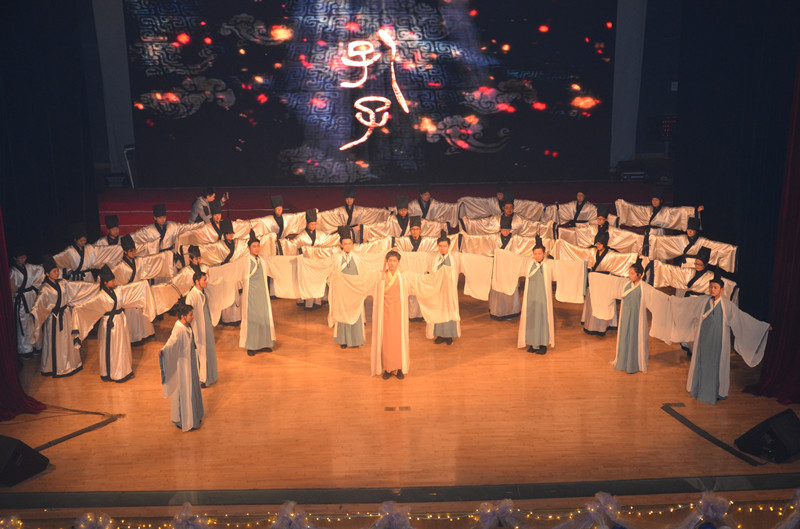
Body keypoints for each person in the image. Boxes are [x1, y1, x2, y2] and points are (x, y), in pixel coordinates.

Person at [683, 277, 771, 405]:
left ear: (721, 289)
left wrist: (762, 327)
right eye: (711, 287)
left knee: (716, 366)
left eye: (715, 288)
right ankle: (699, 388)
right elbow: (687, 305)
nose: (712, 290)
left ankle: (715, 392)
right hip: (703, 341)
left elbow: (742, 318)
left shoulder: (727, 306)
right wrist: (671, 301)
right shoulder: (703, 301)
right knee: (702, 364)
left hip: (718, 343)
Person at [72, 265, 155, 382]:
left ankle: (124, 370)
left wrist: (143, 284)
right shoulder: (101, 296)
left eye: (114, 280)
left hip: (121, 321)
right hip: (109, 325)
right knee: (113, 348)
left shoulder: (118, 290)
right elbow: (88, 307)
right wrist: (77, 310)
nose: (114, 282)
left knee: (122, 346)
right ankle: (111, 372)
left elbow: (130, 289)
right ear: (105, 283)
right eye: (111, 281)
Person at [30, 256, 98, 377]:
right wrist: (34, 314)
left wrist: (96, 286)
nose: (57, 273)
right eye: (53, 272)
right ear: (47, 274)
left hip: (65, 315)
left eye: (57, 271)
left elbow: (79, 287)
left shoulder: (63, 283)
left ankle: (70, 364)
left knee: (67, 340)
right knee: (56, 342)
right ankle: (56, 367)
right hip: (53, 319)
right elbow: (38, 305)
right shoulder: (45, 289)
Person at [110, 234, 172, 343]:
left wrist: (167, 255)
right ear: (125, 252)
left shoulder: (139, 262)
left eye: (134, 250)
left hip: (140, 292)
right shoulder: (120, 266)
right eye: (131, 251)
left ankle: (146, 333)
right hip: (129, 294)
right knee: (132, 316)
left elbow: (152, 260)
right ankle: (134, 337)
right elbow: (115, 281)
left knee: (142, 314)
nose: (133, 253)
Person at [160, 303, 204, 431]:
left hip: (190, 362)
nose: (193, 317)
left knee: (193, 386)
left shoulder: (187, 325)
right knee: (184, 390)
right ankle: (184, 419)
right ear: (183, 316)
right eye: (190, 315)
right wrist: (163, 351)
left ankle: (195, 416)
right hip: (183, 366)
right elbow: (171, 343)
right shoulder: (178, 329)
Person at [372, 251, 408, 379]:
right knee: (386, 339)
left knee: (398, 339)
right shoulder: (381, 276)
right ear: (386, 261)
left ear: (398, 262)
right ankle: (387, 368)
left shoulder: (403, 277)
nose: (392, 263)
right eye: (390, 261)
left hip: (398, 312)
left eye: (394, 261)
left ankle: (398, 368)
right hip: (385, 312)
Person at [240, 230, 276, 356]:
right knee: (253, 318)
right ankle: (251, 345)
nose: (256, 248)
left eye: (258, 246)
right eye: (254, 246)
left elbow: (277, 264)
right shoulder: (245, 261)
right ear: (249, 248)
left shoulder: (262, 260)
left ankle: (264, 343)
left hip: (262, 294)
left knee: (263, 317)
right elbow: (232, 270)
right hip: (251, 294)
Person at [130, 204, 203, 257]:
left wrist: (200, 224)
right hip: (157, 256)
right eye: (160, 218)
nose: (163, 219)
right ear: (155, 218)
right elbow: (135, 236)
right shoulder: (149, 230)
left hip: (170, 255)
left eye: (164, 217)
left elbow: (186, 227)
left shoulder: (173, 226)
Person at [185, 270, 218, 387]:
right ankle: (202, 379)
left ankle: (210, 376)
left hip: (206, 326)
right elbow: (188, 315)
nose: (206, 282)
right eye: (204, 280)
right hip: (198, 328)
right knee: (201, 352)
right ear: (197, 281)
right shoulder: (192, 295)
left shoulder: (203, 292)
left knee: (209, 350)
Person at [333, 226, 365, 348]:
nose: (347, 246)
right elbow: (328, 270)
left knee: (355, 313)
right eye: (345, 244)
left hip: (354, 291)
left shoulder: (357, 258)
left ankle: (355, 340)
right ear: (341, 245)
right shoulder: (337, 258)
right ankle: (343, 340)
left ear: (352, 244)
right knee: (343, 313)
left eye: (349, 244)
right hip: (342, 292)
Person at [10, 248, 44, 359]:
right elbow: (11, 288)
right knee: (23, 323)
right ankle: (25, 349)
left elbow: (40, 269)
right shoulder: (12, 272)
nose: (23, 259)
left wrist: (35, 286)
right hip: (21, 299)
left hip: (31, 296)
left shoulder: (30, 267)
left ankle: (37, 345)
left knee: (34, 320)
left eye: (24, 257)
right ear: (15, 258)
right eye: (20, 258)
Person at [363, 195, 447, 240]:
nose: (403, 212)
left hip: (409, 243)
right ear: (397, 210)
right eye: (400, 210)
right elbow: (380, 226)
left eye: (405, 210)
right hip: (397, 244)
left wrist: (442, 225)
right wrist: (364, 227)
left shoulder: (413, 217)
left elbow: (427, 224)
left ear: (407, 209)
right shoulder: (392, 219)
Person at [428, 231, 460, 345]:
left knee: (449, 310)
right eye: (440, 246)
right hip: (438, 290)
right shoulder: (435, 259)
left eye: (444, 246)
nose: (442, 248)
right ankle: (440, 335)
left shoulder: (452, 259)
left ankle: (449, 335)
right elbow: (433, 273)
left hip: (449, 290)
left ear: (449, 246)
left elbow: (454, 274)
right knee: (438, 311)